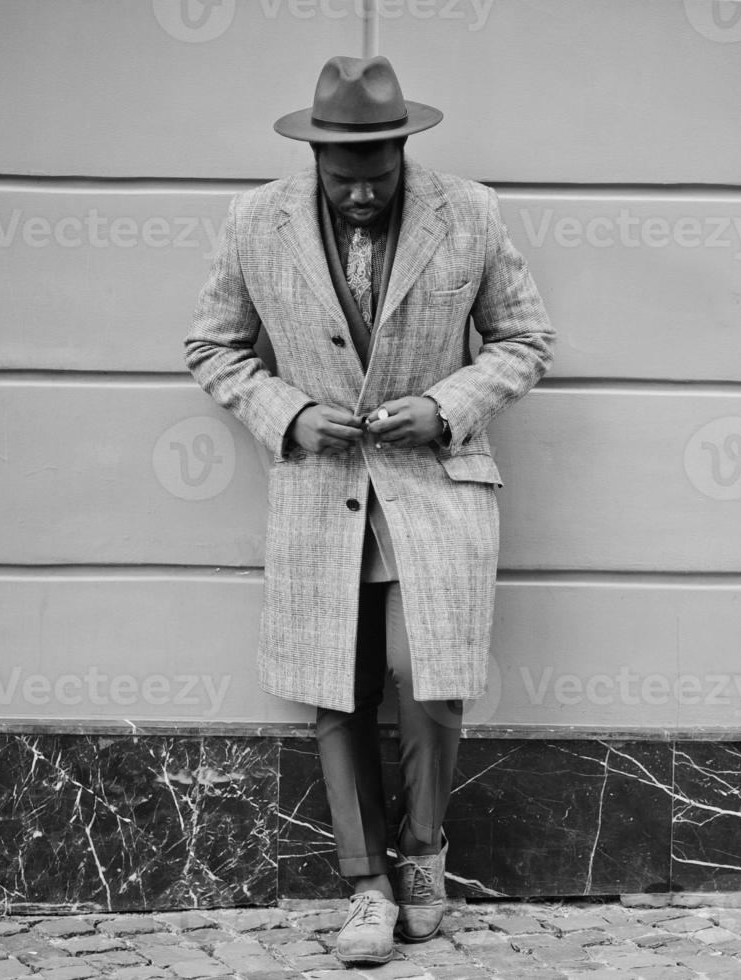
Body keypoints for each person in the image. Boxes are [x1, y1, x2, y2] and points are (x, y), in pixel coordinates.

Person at [184, 55, 554, 964]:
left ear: (400, 151)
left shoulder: (467, 211)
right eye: (342, 180)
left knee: (426, 675)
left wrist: (447, 407)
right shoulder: (253, 219)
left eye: (376, 179)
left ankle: (424, 855)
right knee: (335, 689)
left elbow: (525, 338)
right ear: (314, 159)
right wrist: (291, 414)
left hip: (437, 490)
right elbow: (211, 346)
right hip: (319, 495)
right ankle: (364, 887)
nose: (358, 196)